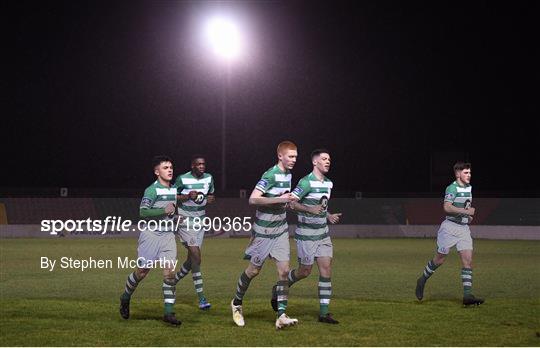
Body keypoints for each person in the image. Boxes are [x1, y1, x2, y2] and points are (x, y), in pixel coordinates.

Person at [230, 141, 300, 329]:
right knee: (254, 270)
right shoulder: (270, 175)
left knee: (284, 271)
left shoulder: (288, 174)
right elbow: (253, 198)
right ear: (280, 156)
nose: (294, 160)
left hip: (281, 230)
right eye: (291, 156)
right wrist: (281, 199)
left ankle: (281, 315)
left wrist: (288, 202)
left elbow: (282, 200)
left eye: (295, 156)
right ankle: (236, 303)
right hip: (263, 232)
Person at [275, 149, 341, 324]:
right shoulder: (305, 182)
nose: (328, 162)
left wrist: (328, 215)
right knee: (305, 271)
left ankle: (324, 313)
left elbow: (321, 207)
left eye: (329, 159)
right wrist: (309, 209)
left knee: (326, 270)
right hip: (306, 235)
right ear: (315, 162)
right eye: (324, 159)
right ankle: (281, 286)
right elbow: (291, 203)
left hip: (323, 234)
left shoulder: (329, 183)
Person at [119, 155, 181, 326]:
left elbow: (171, 211)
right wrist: (164, 211)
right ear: (156, 172)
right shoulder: (151, 190)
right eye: (165, 167)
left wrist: (175, 217)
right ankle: (125, 297)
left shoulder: (173, 189)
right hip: (151, 235)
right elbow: (143, 212)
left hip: (168, 236)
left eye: (171, 167)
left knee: (169, 273)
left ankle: (169, 313)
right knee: (141, 272)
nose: (169, 170)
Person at [415, 161, 484, 306]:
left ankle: (467, 296)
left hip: (464, 229)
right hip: (449, 228)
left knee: (468, 261)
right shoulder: (452, 188)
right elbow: (447, 207)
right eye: (466, 172)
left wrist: (467, 217)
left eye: (470, 172)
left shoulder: (469, 188)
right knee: (439, 259)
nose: (469, 175)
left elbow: (464, 206)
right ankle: (422, 279)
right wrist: (466, 212)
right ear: (458, 173)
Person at [173, 155, 215, 310]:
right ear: (192, 166)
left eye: (203, 164)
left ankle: (172, 282)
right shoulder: (182, 179)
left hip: (200, 222)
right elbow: (172, 197)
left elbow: (210, 195)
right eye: (198, 164)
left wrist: (210, 199)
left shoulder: (209, 178)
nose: (202, 166)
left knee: (192, 260)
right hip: (185, 221)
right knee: (196, 256)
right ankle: (202, 298)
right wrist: (185, 196)